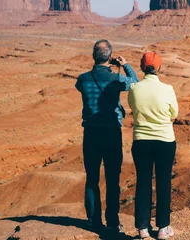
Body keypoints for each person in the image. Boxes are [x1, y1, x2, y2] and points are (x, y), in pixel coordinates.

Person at [75, 39, 139, 234]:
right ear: (110, 57)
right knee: (112, 178)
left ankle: (94, 221)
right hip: (112, 133)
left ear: (93, 56)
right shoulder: (116, 79)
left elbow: (80, 88)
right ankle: (112, 221)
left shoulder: (83, 79)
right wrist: (124, 65)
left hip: (91, 134)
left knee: (92, 177)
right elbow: (135, 82)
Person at [128, 51, 178, 239]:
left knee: (143, 182)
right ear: (159, 67)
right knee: (164, 182)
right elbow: (174, 113)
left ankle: (143, 229)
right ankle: (163, 228)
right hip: (165, 140)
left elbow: (134, 108)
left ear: (142, 67)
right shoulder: (168, 89)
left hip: (141, 141)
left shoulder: (134, 89)